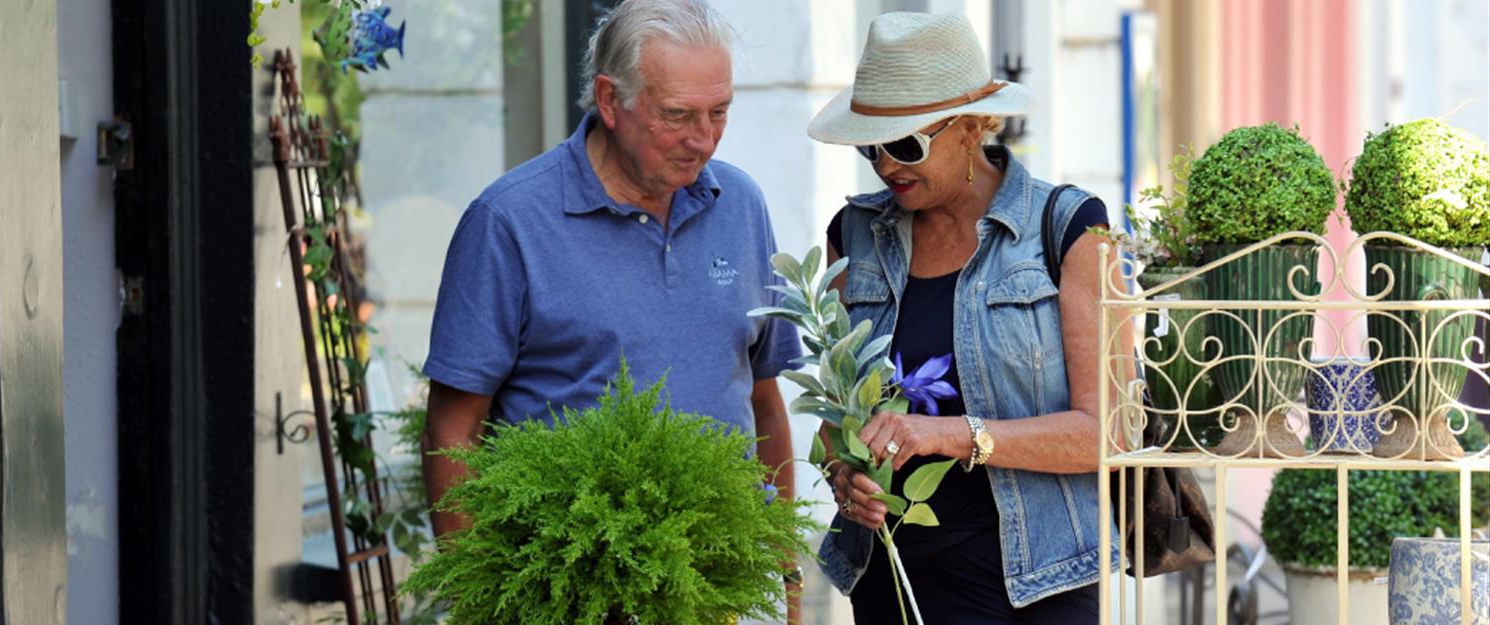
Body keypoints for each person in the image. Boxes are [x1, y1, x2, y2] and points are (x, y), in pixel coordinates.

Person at [420, 0, 804, 618]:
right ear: (609, 100)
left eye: (719, 112)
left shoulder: (742, 205)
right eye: (677, 115)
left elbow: (763, 402)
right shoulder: (509, 221)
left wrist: (784, 575)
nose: (702, 139)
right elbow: (452, 428)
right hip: (568, 592)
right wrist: (477, 599)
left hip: (726, 588)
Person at [806, 12, 1122, 624]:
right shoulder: (854, 237)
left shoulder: (1068, 229)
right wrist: (845, 477)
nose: (886, 165)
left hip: (1041, 582)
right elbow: (835, 420)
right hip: (896, 575)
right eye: (872, 146)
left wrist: (952, 434)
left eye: (905, 144)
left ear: (971, 128)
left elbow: (1107, 432)